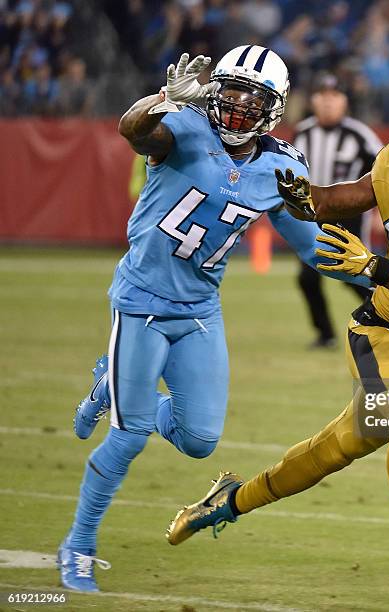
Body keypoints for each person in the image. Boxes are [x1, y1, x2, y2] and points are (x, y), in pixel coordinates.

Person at [166, 81, 389, 612]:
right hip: (382, 327)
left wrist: (371, 264)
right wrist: (299, 196)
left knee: (338, 449)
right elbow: (339, 199)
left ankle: (230, 501)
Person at [56, 44, 367, 593]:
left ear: (274, 108)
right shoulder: (183, 126)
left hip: (199, 308)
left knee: (200, 438)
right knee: (128, 438)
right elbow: (134, 130)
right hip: (141, 300)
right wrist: (158, 99)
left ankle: (114, 385)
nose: (238, 107)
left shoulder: (281, 166)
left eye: (254, 99)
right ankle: (78, 544)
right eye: (231, 92)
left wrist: (381, 278)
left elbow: (312, 246)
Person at [293, 72, 383, 348]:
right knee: (308, 277)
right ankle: (326, 334)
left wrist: (380, 211)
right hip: (313, 214)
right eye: (322, 96)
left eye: (335, 96)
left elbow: (385, 172)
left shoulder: (359, 134)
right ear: (313, 100)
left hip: (350, 214)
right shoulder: (303, 132)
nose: (328, 103)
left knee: (355, 273)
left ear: (345, 102)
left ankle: (386, 316)